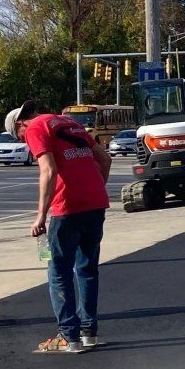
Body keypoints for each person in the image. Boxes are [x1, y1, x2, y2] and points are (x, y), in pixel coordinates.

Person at [10, 100, 112, 354]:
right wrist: (95, 189)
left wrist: (40, 216)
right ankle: (89, 332)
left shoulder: (35, 127)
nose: (25, 143)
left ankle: (68, 336)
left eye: (20, 138)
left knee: (59, 271)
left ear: (20, 125)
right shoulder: (70, 122)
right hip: (95, 205)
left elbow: (48, 170)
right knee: (87, 269)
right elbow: (105, 159)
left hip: (68, 209)